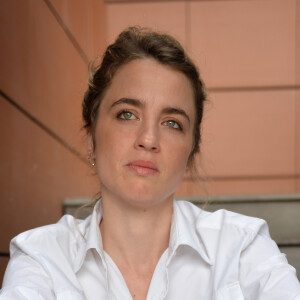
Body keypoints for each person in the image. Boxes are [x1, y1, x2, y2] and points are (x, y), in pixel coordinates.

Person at [1, 26, 300, 300]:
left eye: (172, 123)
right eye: (127, 114)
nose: (148, 138)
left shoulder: (242, 247)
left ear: (190, 155)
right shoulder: (41, 256)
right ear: (91, 140)